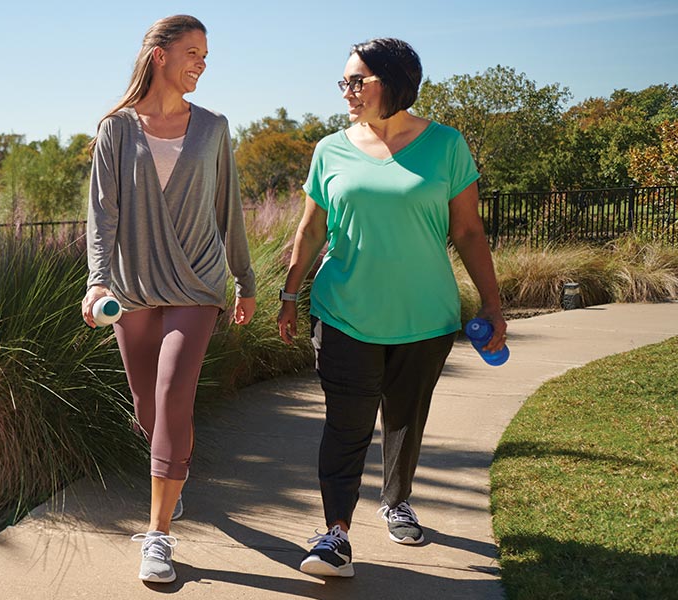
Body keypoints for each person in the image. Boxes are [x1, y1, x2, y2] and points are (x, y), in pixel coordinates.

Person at [277, 37, 507, 578]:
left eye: (359, 81)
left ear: (395, 82)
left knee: (406, 416)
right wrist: (290, 295)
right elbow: (311, 229)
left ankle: (396, 499)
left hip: (425, 317)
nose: (348, 92)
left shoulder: (447, 146)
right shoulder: (330, 148)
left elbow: (469, 231)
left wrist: (494, 305)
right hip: (344, 313)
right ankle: (335, 535)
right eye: (344, 82)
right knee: (346, 423)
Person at [82, 14, 256, 584]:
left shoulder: (213, 127)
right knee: (147, 406)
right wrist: (98, 280)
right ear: (160, 55)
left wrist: (244, 278)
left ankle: (158, 534)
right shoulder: (115, 130)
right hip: (132, 286)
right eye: (193, 51)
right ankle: (173, 470)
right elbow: (102, 215)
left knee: (174, 393)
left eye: (206, 54)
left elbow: (227, 206)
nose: (202, 63)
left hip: (198, 281)